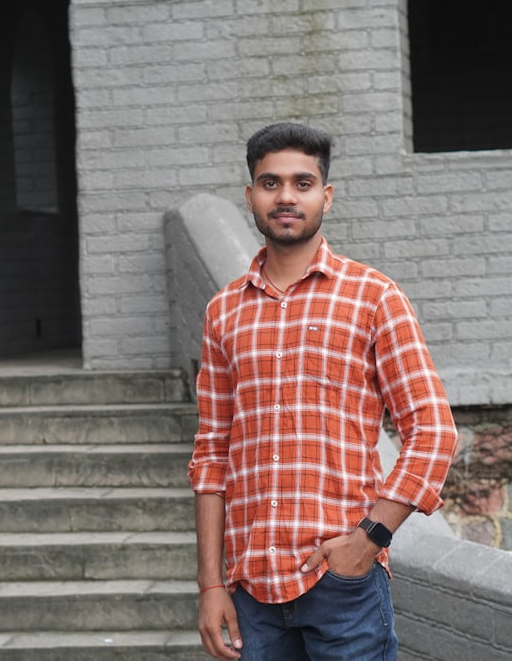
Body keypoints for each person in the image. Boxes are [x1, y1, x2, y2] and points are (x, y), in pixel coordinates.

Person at [187, 122, 458, 661]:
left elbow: (433, 431)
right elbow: (212, 454)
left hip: (342, 588)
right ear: (251, 196)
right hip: (251, 593)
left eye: (302, 183)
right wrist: (210, 585)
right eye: (270, 183)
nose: (286, 196)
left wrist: (368, 541)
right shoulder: (223, 312)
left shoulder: (374, 297)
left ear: (325, 197)